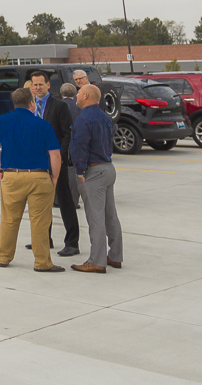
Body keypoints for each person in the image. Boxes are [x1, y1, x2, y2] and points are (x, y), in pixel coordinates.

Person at [0, 86, 64, 272]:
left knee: (9, 219)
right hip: (39, 175)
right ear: (32, 103)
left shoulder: (0, 121)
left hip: (11, 175)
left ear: (14, 103)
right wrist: (54, 177)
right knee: (40, 222)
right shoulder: (43, 125)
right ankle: (42, 262)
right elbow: (55, 154)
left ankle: (3, 257)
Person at [70, 82, 123, 272]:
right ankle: (115, 256)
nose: (76, 96)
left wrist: (80, 171)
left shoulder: (83, 119)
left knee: (95, 218)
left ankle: (97, 261)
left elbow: (80, 147)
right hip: (108, 168)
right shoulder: (104, 117)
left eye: (79, 93)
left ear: (86, 96)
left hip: (94, 171)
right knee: (110, 216)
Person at [26, 69, 80, 257]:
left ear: (48, 85)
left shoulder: (59, 106)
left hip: (56, 161)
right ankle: (43, 238)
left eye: (40, 84)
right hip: (36, 162)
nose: (37, 87)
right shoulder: (30, 107)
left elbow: (67, 134)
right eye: (34, 85)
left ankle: (72, 243)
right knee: (41, 202)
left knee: (64, 201)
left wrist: (61, 157)